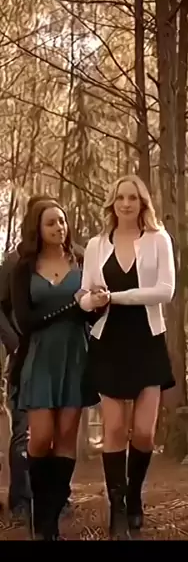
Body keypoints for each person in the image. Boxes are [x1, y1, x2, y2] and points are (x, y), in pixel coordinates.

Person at [79, 174, 176, 540]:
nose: (126, 204)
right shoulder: (96, 245)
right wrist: (93, 300)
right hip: (108, 341)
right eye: (120, 197)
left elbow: (165, 291)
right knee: (115, 429)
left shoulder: (158, 239)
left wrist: (115, 297)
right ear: (113, 203)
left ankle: (135, 495)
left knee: (146, 433)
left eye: (133, 198)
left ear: (142, 203)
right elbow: (84, 296)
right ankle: (118, 509)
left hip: (147, 340)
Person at [9, 199, 98, 540]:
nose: (59, 228)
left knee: (65, 439)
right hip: (40, 357)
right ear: (38, 229)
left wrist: (97, 304)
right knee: (41, 437)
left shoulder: (83, 260)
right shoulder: (24, 268)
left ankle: (49, 523)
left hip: (76, 355)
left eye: (62, 221)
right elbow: (26, 320)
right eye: (51, 223)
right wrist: (71, 306)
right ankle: (38, 509)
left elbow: (90, 314)